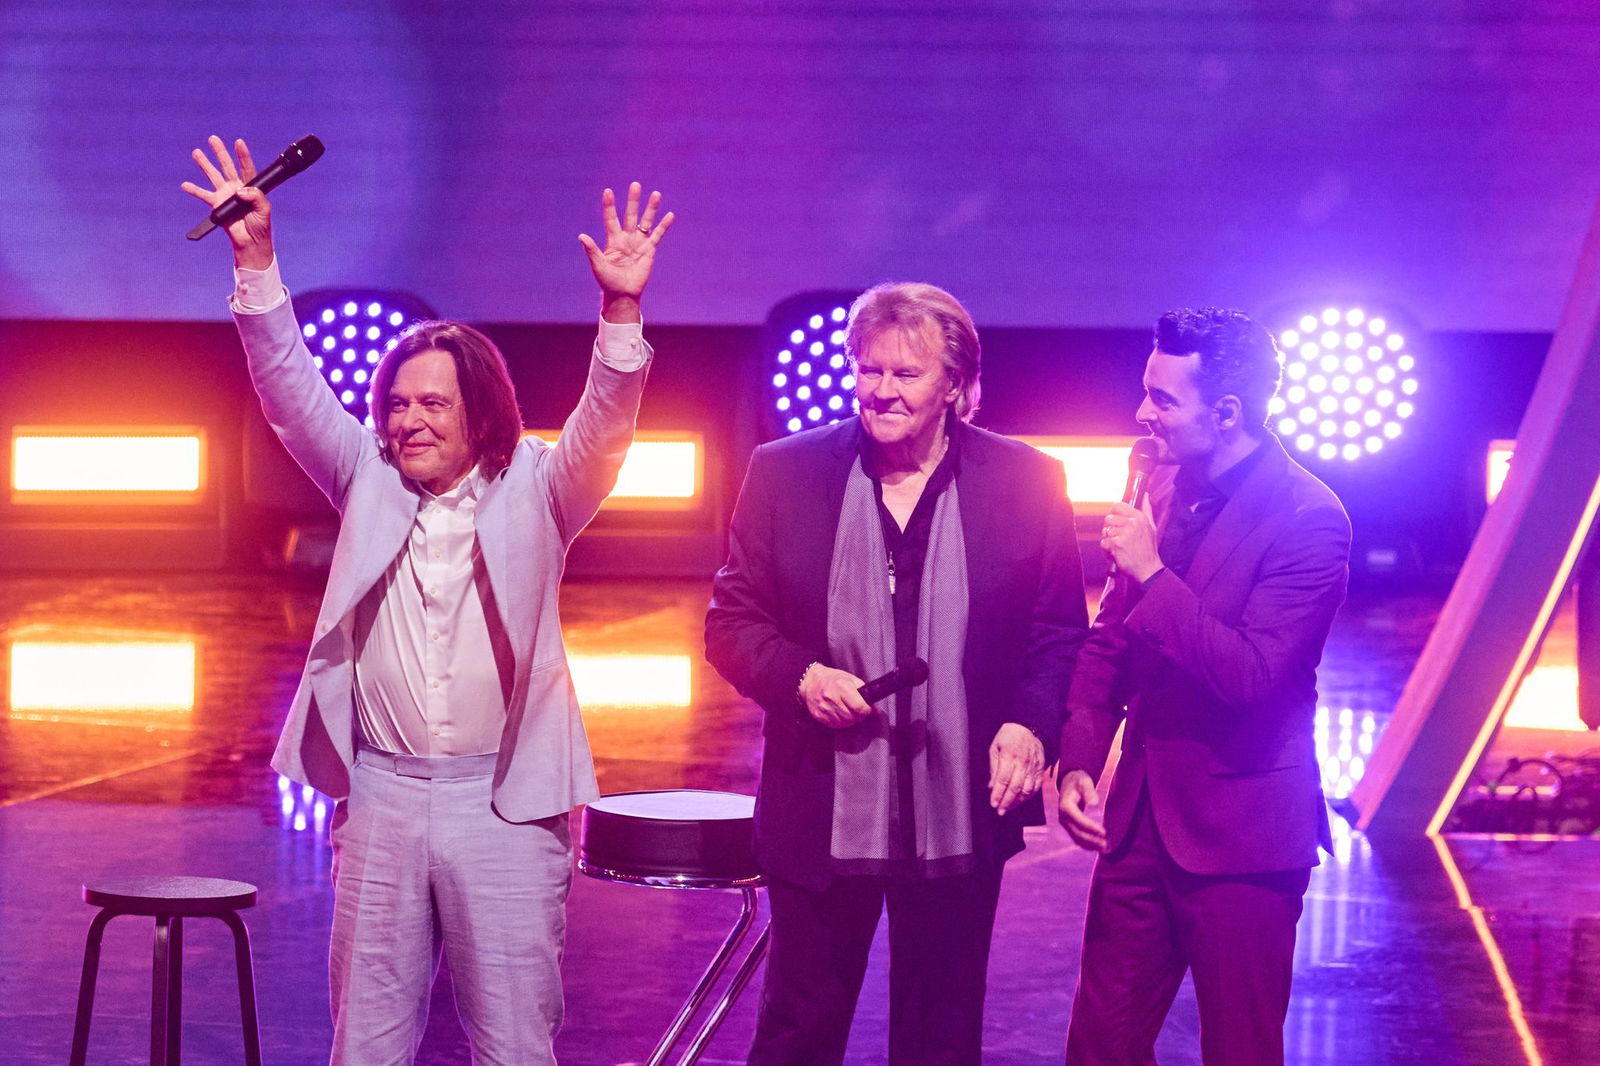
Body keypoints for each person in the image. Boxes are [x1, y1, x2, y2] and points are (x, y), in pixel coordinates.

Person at [182, 136, 673, 1065]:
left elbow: (607, 430)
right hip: (383, 801)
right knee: (364, 1046)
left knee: (516, 1047)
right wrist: (256, 262)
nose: (407, 421)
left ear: (480, 412)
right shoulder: (365, 475)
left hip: (504, 804)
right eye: (398, 404)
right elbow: (290, 392)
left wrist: (620, 308)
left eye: (432, 406)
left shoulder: (539, 485)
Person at [705, 282, 1087, 1066]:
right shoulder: (786, 473)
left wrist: (1028, 723)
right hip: (822, 807)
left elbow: (1057, 633)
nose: (881, 391)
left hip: (958, 811)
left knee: (941, 1033)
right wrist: (803, 676)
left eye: (905, 375)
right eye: (868, 369)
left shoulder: (1028, 482)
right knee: (798, 1030)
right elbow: (732, 624)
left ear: (956, 385)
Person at [1056, 308, 1351, 1066]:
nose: (1142, 412)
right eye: (1145, 390)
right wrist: (1081, 758)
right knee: (1100, 1047)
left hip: (1244, 835)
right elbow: (1111, 636)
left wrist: (1152, 571)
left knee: (1240, 1051)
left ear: (1226, 412)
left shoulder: (1310, 518)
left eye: (1163, 398)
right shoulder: (1151, 476)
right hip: (1139, 826)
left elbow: (1249, 675)